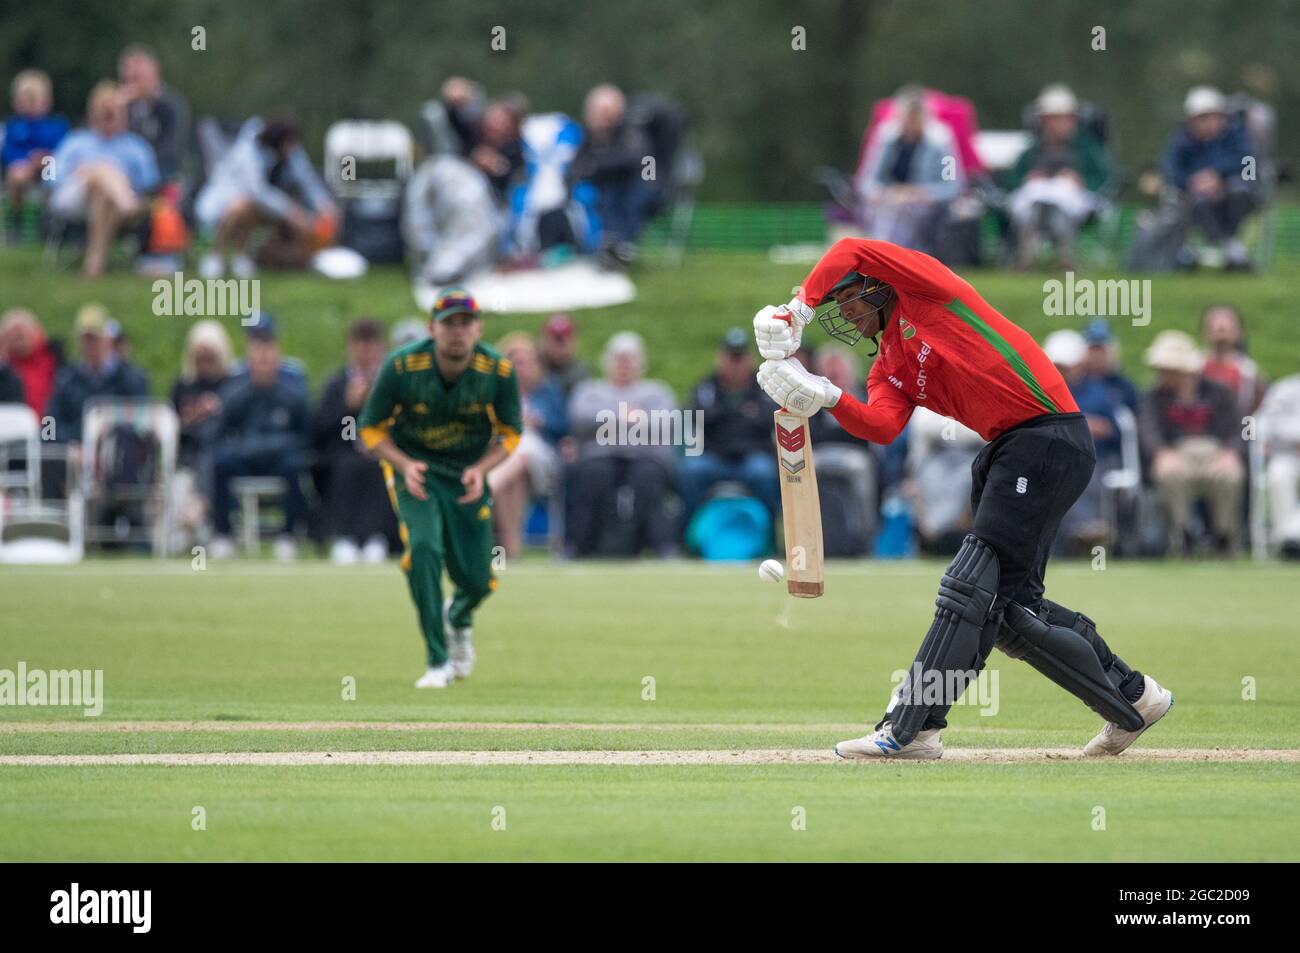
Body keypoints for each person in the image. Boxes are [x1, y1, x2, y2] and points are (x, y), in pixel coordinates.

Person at [752, 237, 1169, 759]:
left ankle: (908, 729)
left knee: (969, 587)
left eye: (849, 301)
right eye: (836, 307)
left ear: (876, 287)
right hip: (1010, 449)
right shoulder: (888, 366)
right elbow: (882, 426)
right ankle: (1135, 696)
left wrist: (798, 308)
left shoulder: (927, 289)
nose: (847, 315)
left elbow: (852, 247)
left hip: (1047, 438)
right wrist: (829, 397)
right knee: (1011, 610)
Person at [359, 288, 522, 689]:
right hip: (417, 473)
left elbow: (511, 433)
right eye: (448, 323)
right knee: (425, 551)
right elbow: (370, 429)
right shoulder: (401, 367)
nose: (457, 332)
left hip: (467, 475)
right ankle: (437, 661)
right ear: (432, 328)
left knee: (480, 580)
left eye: (466, 323)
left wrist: (483, 469)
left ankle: (458, 617)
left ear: (479, 328)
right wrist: (403, 464)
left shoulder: (498, 371)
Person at [566, 332, 678, 557]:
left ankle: (663, 545)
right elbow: (579, 419)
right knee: (593, 475)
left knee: (649, 478)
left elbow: (667, 422)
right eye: (619, 358)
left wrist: (609, 421)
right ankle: (578, 545)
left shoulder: (657, 391)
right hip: (599, 456)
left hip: (647, 457)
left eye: (630, 358)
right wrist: (625, 416)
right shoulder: (590, 391)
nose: (624, 364)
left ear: (641, 362)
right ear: (607, 361)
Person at [209, 316, 309, 560]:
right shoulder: (236, 391)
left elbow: (305, 433)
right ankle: (222, 534)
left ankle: (288, 535)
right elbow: (218, 432)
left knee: (295, 466)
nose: (263, 359)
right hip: (246, 458)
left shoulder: (292, 391)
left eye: (268, 350)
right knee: (221, 464)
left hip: (279, 459)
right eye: (257, 350)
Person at [1138, 330, 1243, 557]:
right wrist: (1161, 452)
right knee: (1168, 473)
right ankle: (1183, 535)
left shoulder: (1219, 392)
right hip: (1176, 454)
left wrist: (1231, 452)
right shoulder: (1153, 397)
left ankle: (1223, 536)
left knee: (1231, 475)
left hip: (1215, 453)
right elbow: (1147, 430)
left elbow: (1238, 427)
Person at [194, 117, 337, 278]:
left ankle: (242, 257)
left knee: (254, 209)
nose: (292, 149)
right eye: (289, 144)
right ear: (278, 141)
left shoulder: (290, 152)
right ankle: (214, 257)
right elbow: (258, 192)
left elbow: (307, 179)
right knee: (243, 207)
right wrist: (292, 212)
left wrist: (324, 205)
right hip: (220, 207)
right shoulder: (246, 152)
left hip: (258, 207)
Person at [47, 82, 160, 277]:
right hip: (74, 197)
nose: (108, 117)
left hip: (111, 200)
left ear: (123, 115)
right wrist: (82, 172)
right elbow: (50, 177)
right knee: (103, 169)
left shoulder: (137, 147)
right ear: (93, 114)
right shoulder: (75, 141)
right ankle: (127, 205)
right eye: (104, 112)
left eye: (113, 112)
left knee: (104, 192)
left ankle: (94, 264)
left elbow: (150, 184)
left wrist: (117, 179)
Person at [312, 318, 398, 565]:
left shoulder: (392, 382)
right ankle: (346, 538)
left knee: (380, 467)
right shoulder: (336, 384)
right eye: (360, 343)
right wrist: (347, 408)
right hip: (342, 451)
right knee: (348, 467)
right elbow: (319, 429)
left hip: (384, 451)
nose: (366, 351)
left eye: (371, 343)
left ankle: (375, 538)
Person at [1006, 84, 1111, 269]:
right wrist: (1027, 178)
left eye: (1064, 118)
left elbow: (1105, 178)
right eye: (1053, 119)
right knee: (1031, 201)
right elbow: (1010, 180)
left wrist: (1081, 181)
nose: (1059, 123)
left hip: (1076, 200)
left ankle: (1065, 255)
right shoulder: (1032, 150)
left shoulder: (1088, 148)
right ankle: (1027, 254)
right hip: (1035, 200)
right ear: (1043, 120)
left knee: (1062, 199)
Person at [680, 328, 778, 522]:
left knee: (765, 473)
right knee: (692, 471)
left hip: (752, 457)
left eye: (739, 358)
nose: (735, 364)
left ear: (749, 359)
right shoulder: (705, 387)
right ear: (720, 358)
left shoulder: (764, 388)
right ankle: (689, 532)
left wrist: (724, 415)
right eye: (730, 357)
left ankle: (768, 533)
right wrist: (741, 414)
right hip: (714, 456)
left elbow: (769, 420)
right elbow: (697, 418)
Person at [487, 332, 568, 558]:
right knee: (515, 479)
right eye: (515, 362)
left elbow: (563, 425)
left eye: (525, 362)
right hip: (506, 460)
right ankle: (510, 547)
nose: (520, 367)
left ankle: (488, 487)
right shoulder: (494, 394)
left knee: (523, 448)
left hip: (543, 459)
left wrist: (539, 422)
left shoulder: (549, 390)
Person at [855, 86, 962, 254]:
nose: (911, 123)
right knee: (891, 212)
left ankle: (891, 257)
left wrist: (923, 193)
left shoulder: (941, 142)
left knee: (904, 213)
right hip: (889, 202)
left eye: (916, 117)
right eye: (908, 117)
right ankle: (886, 256)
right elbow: (867, 181)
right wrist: (885, 193)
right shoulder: (886, 139)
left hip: (926, 206)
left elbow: (951, 186)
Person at [1161, 86, 1257, 270]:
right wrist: (1194, 181)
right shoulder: (1180, 141)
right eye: (1204, 118)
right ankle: (1226, 247)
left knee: (1240, 192)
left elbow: (1249, 162)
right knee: (1199, 201)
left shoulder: (1236, 134)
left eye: (1216, 116)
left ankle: (1228, 247)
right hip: (1196, 194)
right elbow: (1171, 170)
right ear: (1192, 120)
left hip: (1231, 190)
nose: (1212, 122)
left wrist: (1218, 175)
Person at [1044, 329, 1120, 552]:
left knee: (1081, 470)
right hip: (1051, 456)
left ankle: (1084, 530)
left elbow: (1114, 429)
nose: (1061, 371)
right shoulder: (1042, 391)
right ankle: (1077, 534)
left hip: (1098, 457)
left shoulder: (1098, 392)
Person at [569, 84, 653, 265]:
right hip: (605, 188)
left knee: (629, 195)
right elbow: (578, 165)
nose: (603, 117)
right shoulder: (589, 136)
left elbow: (638, 160)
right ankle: (610, 244)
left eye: (607, 112)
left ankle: (621, 244)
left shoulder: (631, 131)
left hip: (639, 183)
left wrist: (595, 165)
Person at [170, 320, 232, 545]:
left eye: (210, 356)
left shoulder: (231, 384)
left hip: (219, 450)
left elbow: (233, 421)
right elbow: (171, 423)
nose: (204, 362)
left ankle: (201, 511)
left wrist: (213, 412)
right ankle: (188, 523)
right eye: (200, 356)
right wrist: (189, 419)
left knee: (211, 450)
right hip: (186, 452)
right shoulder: (182, 386)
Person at [2, 69, 68, 229]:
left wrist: (44, 159)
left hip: (51, 170)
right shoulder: (13, 127)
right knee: (17, 174)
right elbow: (8, 154)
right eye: (25, 99)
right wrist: (30, 163)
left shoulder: (57, 126)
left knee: (51, 166)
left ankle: (50, 218)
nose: (29, 104)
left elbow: (64, 153)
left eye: (34, 99)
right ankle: (17, 218)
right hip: (24, 170)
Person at [117, 45, 190, 182]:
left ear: (155, 72)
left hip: (164, 172)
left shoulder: (172, 103)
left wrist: (149, 96)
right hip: (124, 169)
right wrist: (116, 108)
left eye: (138, 77)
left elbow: (173, 148)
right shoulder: (125, 107)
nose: (133, 84)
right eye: (129, 78)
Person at [1257, 366, 1300, 556]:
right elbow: (1266, 421)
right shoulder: (1285, 389)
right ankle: (1287, 542)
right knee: (1278, 476)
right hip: (1288, 455)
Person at [1199, 304, 1266, 418]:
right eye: (1215, 323)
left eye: (1227, 323)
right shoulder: (1193, 366)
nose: (1220, 327)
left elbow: (1257, 411)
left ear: (1239, 332)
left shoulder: (1249, 372)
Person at [0, 308, 60, 417]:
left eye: (22, 334)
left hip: (51, 425)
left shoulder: (53, 359)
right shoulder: (5, 372)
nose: (18, 340)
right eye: (13, 335)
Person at [537, 313, 590, 395]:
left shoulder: (579, 373)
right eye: (554, 340)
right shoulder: (534, 366)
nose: (557, 347)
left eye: (562, 342)